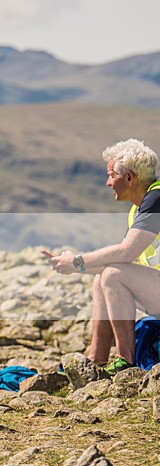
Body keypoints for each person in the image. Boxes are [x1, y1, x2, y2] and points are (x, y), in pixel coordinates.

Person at [50, 139, 160, 375]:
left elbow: (126, 252)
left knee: (111, 275)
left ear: (129, 177)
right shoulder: (139, 208)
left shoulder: (156, 199)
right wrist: (73, 266)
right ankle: (95, 361)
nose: (108, 182)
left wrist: (77, 262)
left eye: (111, 175)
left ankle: (125, 361)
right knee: (104, 275)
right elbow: (122, 259)